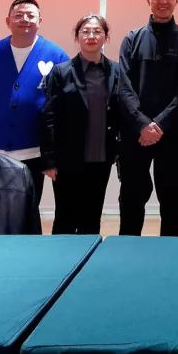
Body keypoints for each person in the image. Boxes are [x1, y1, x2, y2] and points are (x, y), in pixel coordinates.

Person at [41, 14, 141, 235]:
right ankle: (62, 256)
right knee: (65, 216)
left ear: (106, 37)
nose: (91, 36)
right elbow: (49, 116)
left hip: (102, 156)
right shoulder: (61, 72)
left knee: (92, 216)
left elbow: (124, 110)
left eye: (97, 31)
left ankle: (89, 255)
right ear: (77, 37)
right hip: (68, 157)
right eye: (85, 31)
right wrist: (49, 160)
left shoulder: (116, 71)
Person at [117, 0, 178, 236]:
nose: (163, 1)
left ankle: (171, 252)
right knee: (131, 196)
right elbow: (123, 87)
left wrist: (159, 124)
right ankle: (128, 248)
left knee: (172, 199)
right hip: (135, 134)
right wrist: (142, 124)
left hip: (174, 134)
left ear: (177, 0)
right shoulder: (131, 39)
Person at [0, 0, 69, 204]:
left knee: (28, 206)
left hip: (34, 148)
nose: (25, 19)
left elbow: (64, 100)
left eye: (31, 15)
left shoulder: (56, 54)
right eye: (18, 15)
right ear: (8, 21)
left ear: (40, 21)